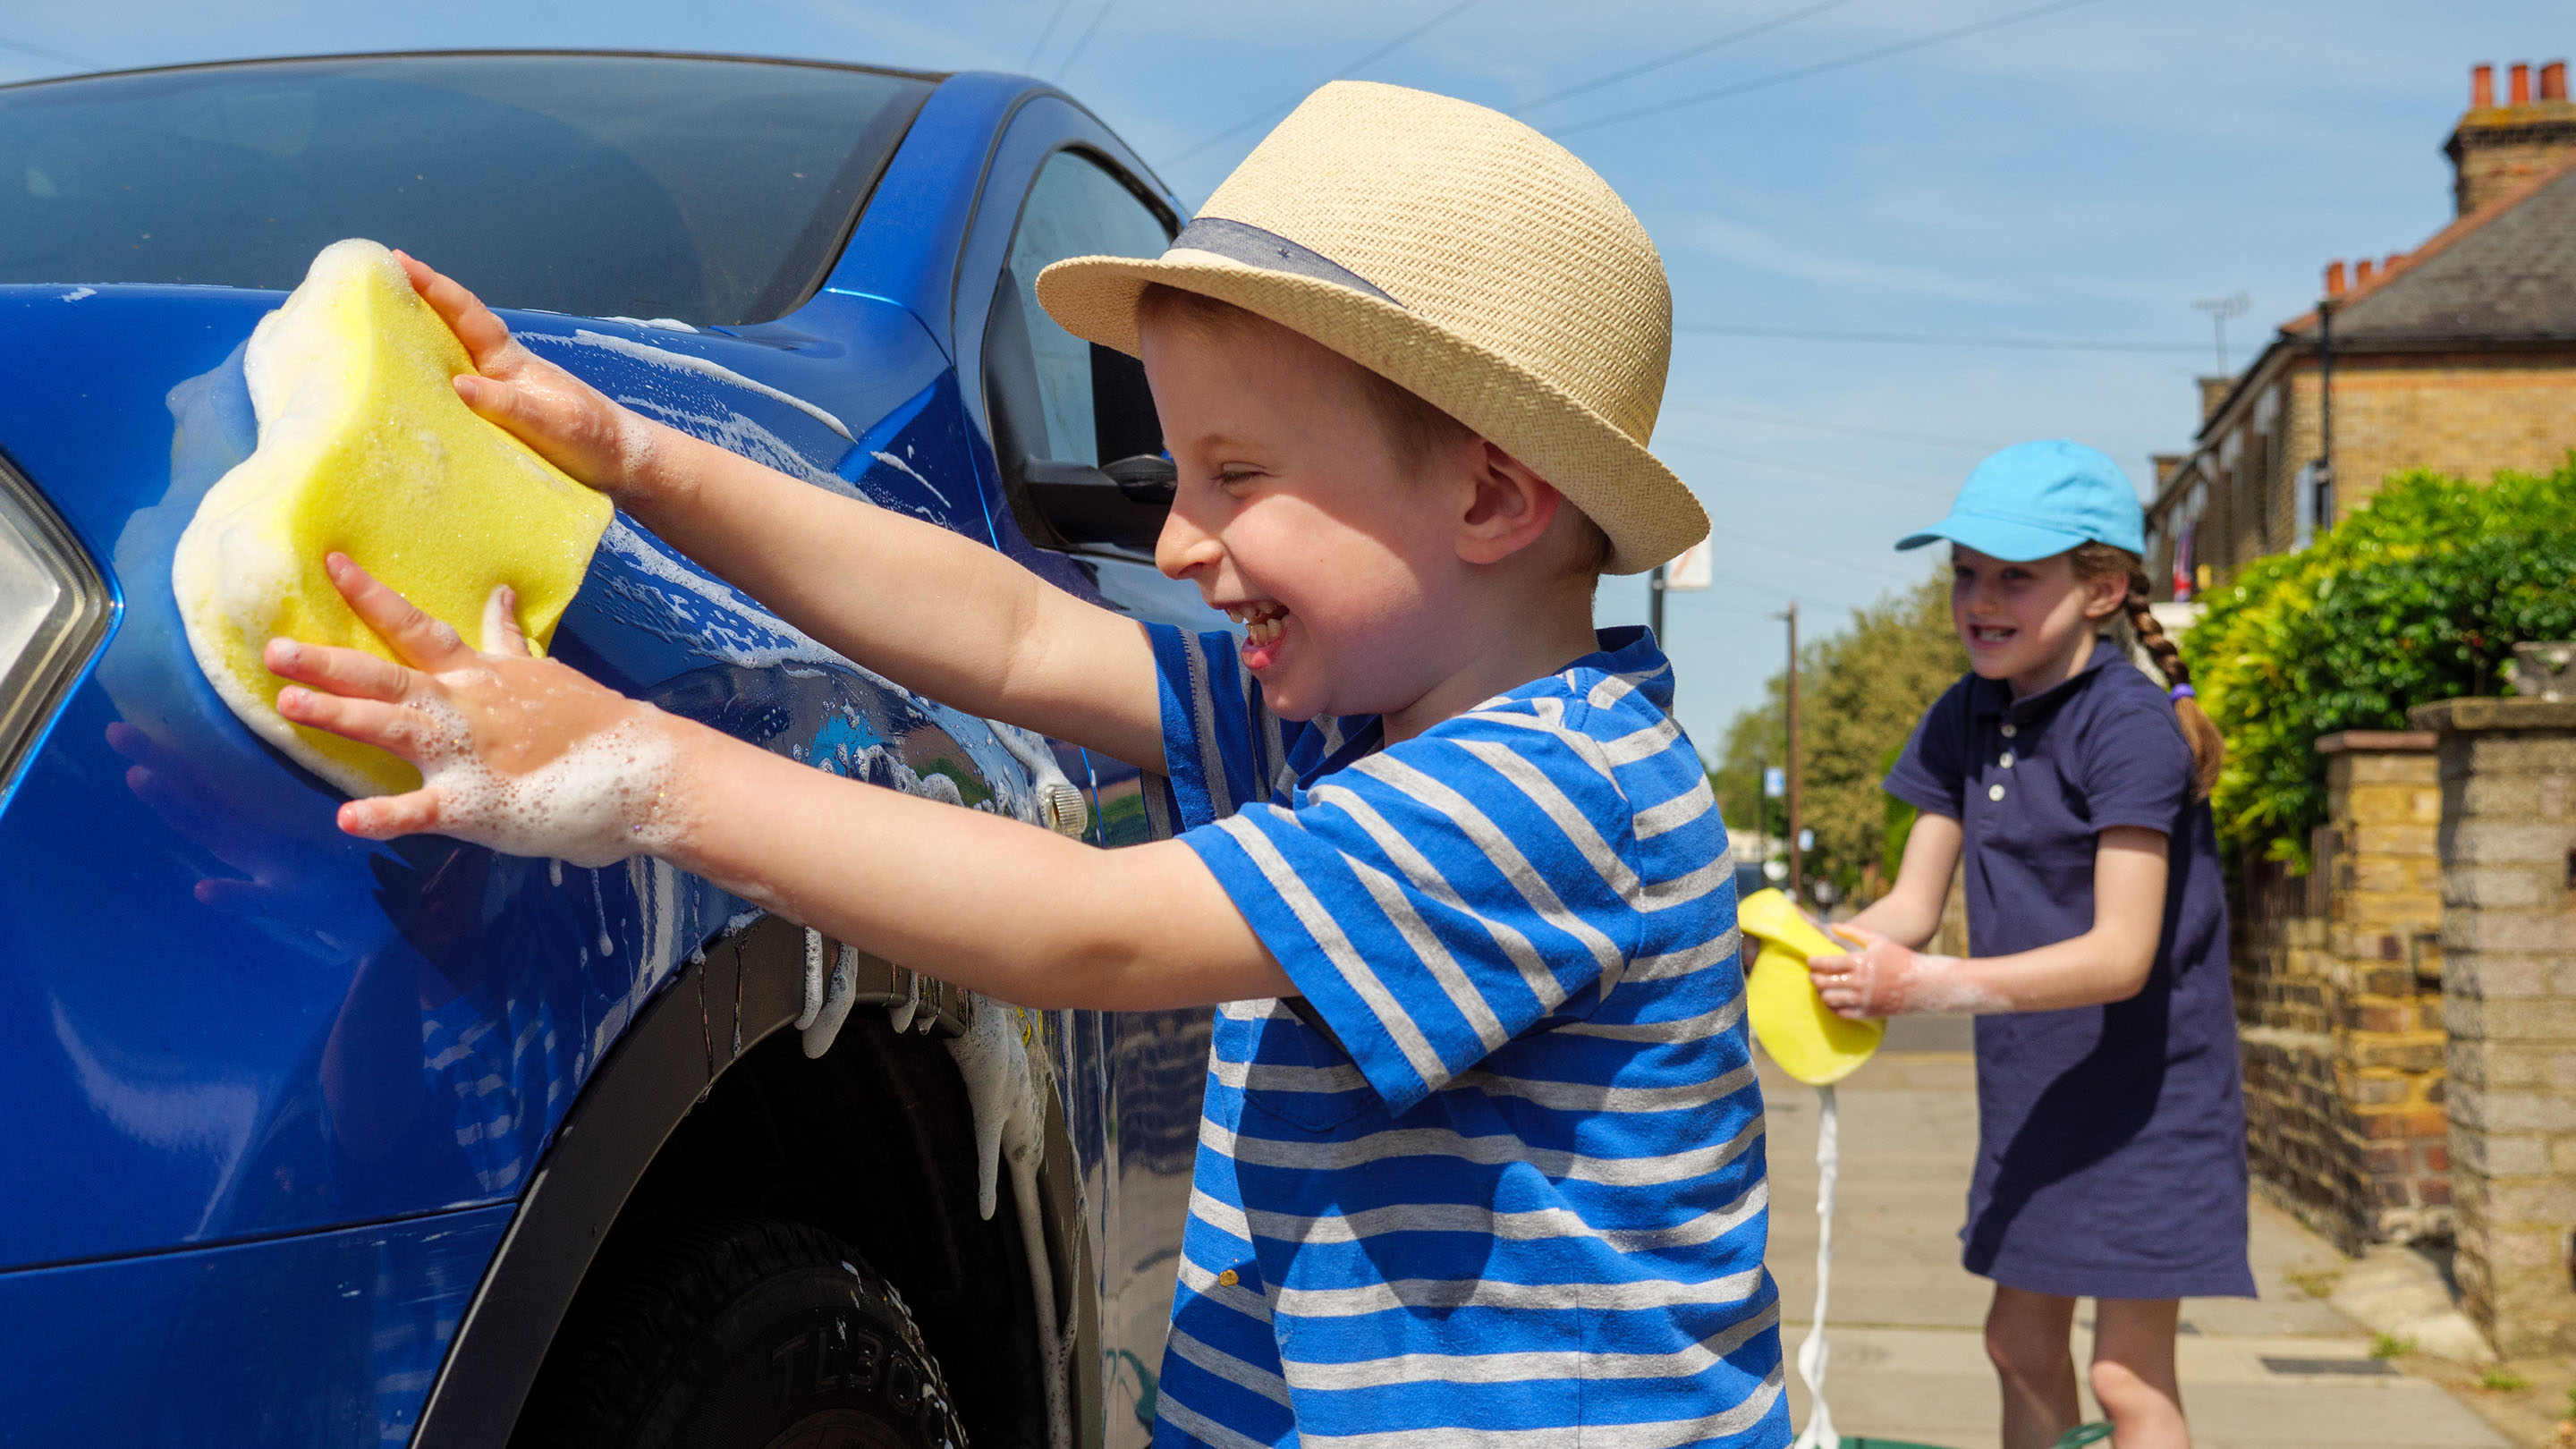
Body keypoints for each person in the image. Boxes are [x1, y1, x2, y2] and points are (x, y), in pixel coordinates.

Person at [266, 83, 1791, 1447]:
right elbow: (999, 631)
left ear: (1491, 498)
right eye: (1175, 475)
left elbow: (1089, 926)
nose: (1181, 544)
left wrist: (641, 768)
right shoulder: (1341, 723)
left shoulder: (1555, 790)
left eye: (1238, 478)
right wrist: (636, 458)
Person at [1804, 440, 2246, 1449]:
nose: (1980, 598)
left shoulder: (2127, 727)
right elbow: (1908, 908)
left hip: (2150, 1102)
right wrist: (1784, 947)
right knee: (2017, 1344)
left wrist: (1921, 989)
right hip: (2034, 1093)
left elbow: (2119, 956)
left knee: (2127, 1378)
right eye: (1965, 572)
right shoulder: (1967, 713)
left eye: (2015, 575)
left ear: (2103, 590)